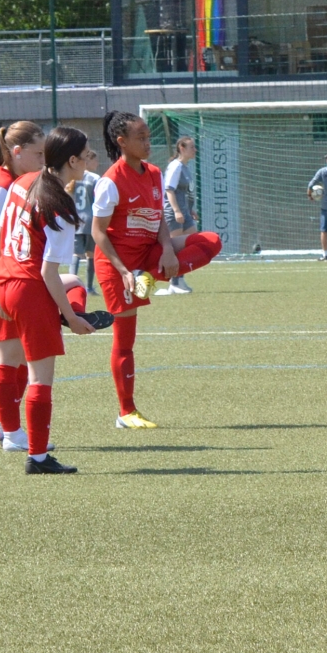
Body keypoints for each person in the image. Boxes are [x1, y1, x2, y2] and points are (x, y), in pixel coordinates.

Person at [93, 111, 223, 429]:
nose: (148, 143)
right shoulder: (110, 182)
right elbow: (98, 233)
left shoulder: (153, 172)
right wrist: (124, 271)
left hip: (149, 255)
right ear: (122, 142)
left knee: (211, 240)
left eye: (149, 137)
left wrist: (166, 248)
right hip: (118, 266)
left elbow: (158, 220)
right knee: (125, 341)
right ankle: (126, 412)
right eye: (141, 138)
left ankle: (150, 278)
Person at [0, 126, 110, 474]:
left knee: (74, 283)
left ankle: (70, 311)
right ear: (71, 160)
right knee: (40, 378)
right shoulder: (59, 206)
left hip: (7, 282)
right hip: (30, 290)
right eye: (86, 155)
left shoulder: (22, 181)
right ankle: (39, 458)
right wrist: (71, 319)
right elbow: (47, 273)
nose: (89, 161)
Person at [0, 121, 46, 451]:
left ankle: (3, 424)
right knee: (7, 357)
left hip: (11, 276)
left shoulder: (18, 182)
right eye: (38, 154)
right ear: (17, 152)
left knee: (19, 356)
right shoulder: (1, 186)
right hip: (0, 278)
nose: (43, 161)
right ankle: (11, 434)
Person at [159, 135, 199, 294]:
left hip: (185, 212)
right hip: (173, 212)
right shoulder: (175, 166)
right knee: (175, 247)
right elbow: (169, 190)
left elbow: (185, 192)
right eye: (191, 147)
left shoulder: (185, 167)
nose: (195, 150)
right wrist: (176, 211)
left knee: (193, 241)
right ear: (182, 148)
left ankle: (179, 279)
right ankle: (174, 282)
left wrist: (190, 209)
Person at [72, 145, 101, 292]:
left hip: (75, 220)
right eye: (95, 161)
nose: (97, 164)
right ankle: (89, 287)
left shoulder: (73, 177)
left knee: (76, 254)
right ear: (88, 161)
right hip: (90, 221)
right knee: (90, 254)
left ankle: (71, 286)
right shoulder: (95, 178)